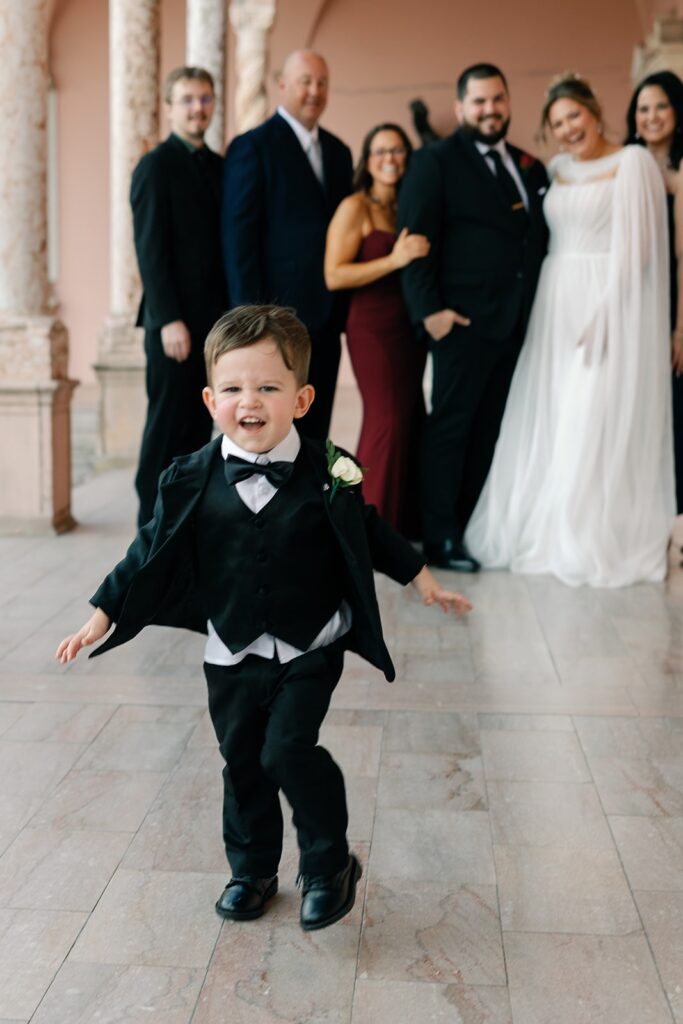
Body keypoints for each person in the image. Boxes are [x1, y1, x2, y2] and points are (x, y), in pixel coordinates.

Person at [56, 305, 471, 931]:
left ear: (302, 399)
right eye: (232, 389)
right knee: (243, 760)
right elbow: (148, 547)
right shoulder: (190, 478)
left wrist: (424, 580)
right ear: (210, 399)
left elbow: (370, 532)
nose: (248, 401)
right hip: (230, 653)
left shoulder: (329, 473)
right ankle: (252, 869)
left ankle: (328, 865)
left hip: (310, 646)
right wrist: (102, 612)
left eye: (268, 388)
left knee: (285, 750)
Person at [465, 75, 675, 587]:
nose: (567, 129)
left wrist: (608, 311)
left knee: (592, 409)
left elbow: (640, 247)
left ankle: (587, 532)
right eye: (557, 124)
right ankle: (544, 520)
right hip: (555, 301)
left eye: (573, 116)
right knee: (554, 408)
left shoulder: (633, 162)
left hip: (607, 297)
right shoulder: (556, 169)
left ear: (594, 112)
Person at [398, 63, 549, 572]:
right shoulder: (435, 161)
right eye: (479, 101)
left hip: (516, 324)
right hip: (459, 323)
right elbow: (415, 241)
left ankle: (469, 526)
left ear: (508, 102)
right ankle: (439, 537)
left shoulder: (527, 166)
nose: (490, 110)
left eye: (497, 99)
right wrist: (430, 313)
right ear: (460, 107)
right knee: (451, 429)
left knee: (490, 430)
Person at [222, 50, 353, 439]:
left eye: (322, 83)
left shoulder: (339, 152)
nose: (314, 91)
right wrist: (250, 321)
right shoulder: (253, 146)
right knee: (275, 431)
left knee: (316, 428)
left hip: (328, 318)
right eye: (305, 82)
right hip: (275, 318)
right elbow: (238, 239)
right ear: (282, 85)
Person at [131, 66, 227, 527]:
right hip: (172, 326)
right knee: (166, 429)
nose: (197, 108)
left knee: (197, 428)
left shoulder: (220, 167)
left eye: (205, 99)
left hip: (212, 324)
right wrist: (169, 318)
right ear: (169, 107)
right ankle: (149, 531)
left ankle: (186, 525)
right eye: (187, 99)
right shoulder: (155, 166)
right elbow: (150, 251)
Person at [324, 123, 430, 535]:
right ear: (367, 161)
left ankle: (403, 525)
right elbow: (334, 274)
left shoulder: (408, 205)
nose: (390, 158)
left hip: (409, 328)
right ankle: (363, 528)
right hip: (372, 327)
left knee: (409, 418)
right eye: (381, 151)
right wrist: (394, 259)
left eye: (398, 150)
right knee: (385, 420)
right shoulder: (355, 207)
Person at [626, 71, 683, 519]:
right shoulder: (626, 164)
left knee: (675, 412)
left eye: (661, 106)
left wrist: (680, 328)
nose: (652, 117)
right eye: (643, 109)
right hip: (632, 304)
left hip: (674, 304)